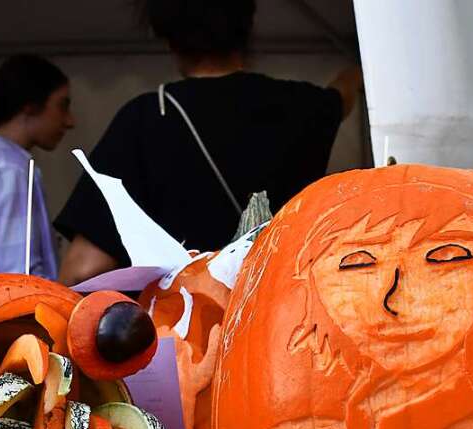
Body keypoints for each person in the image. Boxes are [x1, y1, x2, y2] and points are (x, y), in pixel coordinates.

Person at [55, 0, 362, 285]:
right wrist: (358, 70)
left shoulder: (147, 117)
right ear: (248, 25)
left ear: (168, 37)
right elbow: (341, 96)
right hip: (285, 321)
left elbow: (85, 268)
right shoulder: (306, 107)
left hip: (185, 329)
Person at [0, 54, 75, 279]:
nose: (70, 121)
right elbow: (21, 276)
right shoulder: (10, 169)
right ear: (30, 106)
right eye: (62, 106)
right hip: (16, 313)